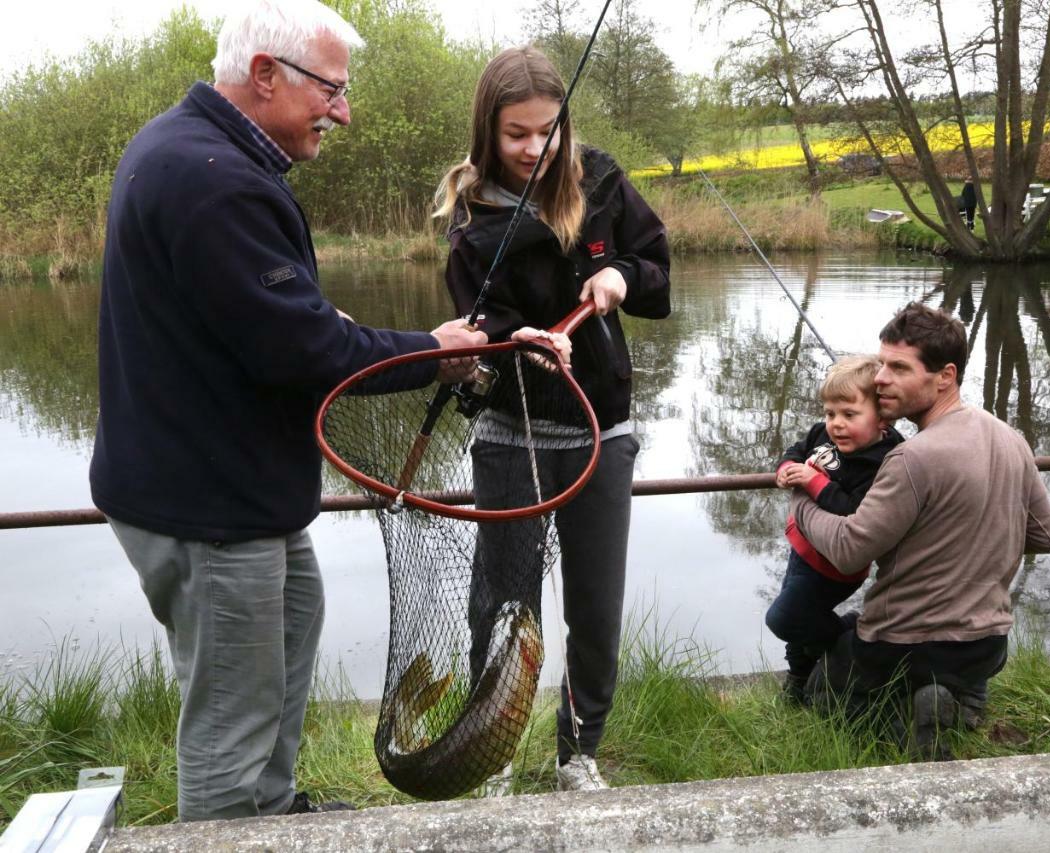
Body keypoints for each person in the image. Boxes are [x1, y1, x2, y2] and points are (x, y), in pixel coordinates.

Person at [88, 0, 497, 822]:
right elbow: (301, 354)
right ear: (265, 75)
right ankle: (226, 834)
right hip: (207, 508)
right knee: (228, 724)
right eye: (331, 90)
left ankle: (271, 815)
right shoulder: (216, 182)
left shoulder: (192, 148)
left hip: (226, 489)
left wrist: (336, 325)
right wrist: (431, 350)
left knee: (294, 622)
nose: (344, 111)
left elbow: (268, 319)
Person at [435, 46, 671, 792]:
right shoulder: (471, 211)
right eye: (516, 134)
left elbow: (659, 270)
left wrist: (621, 274)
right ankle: (497, 753)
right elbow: (477, 322)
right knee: (504, 611)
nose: (535, 148)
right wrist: (515, 341)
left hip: (604, 430)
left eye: (548, 131)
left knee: (595, 611)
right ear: (488, 133)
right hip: (512, 432)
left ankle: (578, 753)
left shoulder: (601, 179)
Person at [790, 302, 1050, 758]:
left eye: (898, 368)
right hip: (986, 644)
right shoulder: (1011, 439)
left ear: (945, 376)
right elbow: (1047, 536)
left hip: (899, 643)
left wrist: (802, 494)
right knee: (951, 670)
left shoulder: (910, 458)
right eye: (880, 366)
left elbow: (849, 549)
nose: (880, 379)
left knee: (824, 692)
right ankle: (959, 701)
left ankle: (897, 717)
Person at [766, 356, 904, 705]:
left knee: (784, 618)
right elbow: (797, 449)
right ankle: (800, 679)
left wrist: (812, 482)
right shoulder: (822, 434)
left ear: (882, 418)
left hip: (833, 568)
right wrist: (787, 467)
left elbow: (854, 509)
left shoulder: (882, 460)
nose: (835, 424)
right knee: (796, 623)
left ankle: (850, 636)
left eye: (849, 415)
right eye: (830, 413)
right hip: (801, 550)